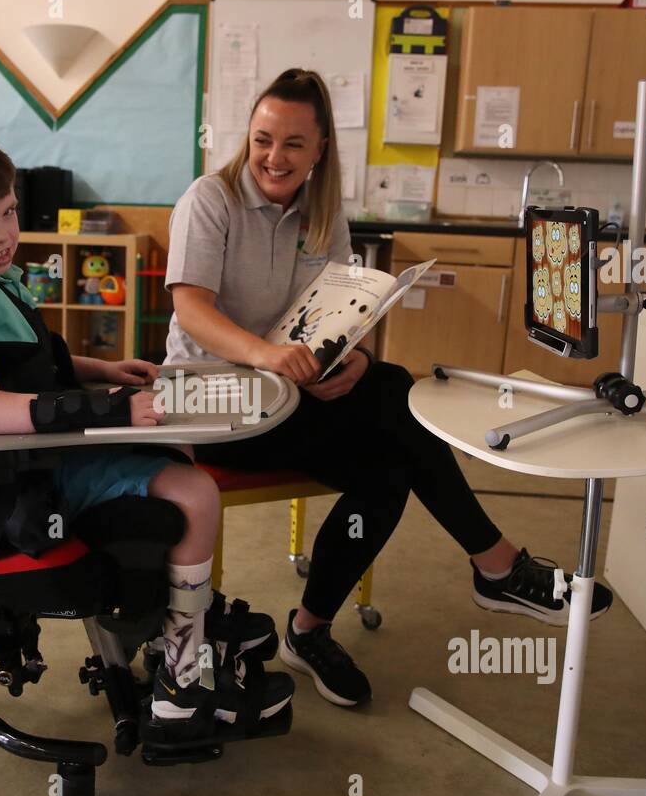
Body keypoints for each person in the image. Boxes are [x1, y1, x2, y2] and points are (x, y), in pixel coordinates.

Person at [163, 69, 611, 708]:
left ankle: (309, 630)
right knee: (399, 395)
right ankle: (496, 564)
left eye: (293, 143)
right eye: (263, 138)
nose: (274, 157)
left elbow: (341, 314)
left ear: (320, 150)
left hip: (283, 399)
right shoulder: (211, 199)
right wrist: (272, 357)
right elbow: (191, 309)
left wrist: (352, 360)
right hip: (209, 405)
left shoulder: (323, 216)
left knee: (389, 457)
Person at [0, 121, 292, 737]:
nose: (2, 235)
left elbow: (15, 361)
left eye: (8, 212)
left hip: (31, 454)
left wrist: (99, 369)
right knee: (196, 492)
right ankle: (182, 678)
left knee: (176, 440)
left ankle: (181, 623)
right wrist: (107, 408)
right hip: (5, 479)